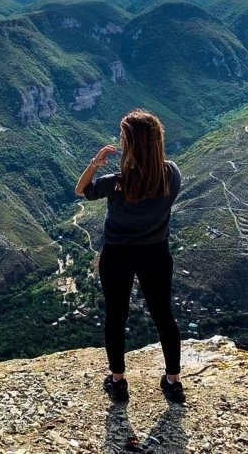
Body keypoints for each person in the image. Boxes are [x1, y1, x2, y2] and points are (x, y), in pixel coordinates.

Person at [74, 108, 185, 405]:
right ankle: (173, 381)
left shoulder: (116, 181)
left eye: (124, 139)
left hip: (117, 254)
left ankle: (118, 381)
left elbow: (81, 190)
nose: (121, 143)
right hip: (156, 253)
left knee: (116, 316)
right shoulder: (171, 174)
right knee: (164, 315)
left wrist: (95, 164)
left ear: (132, 144)